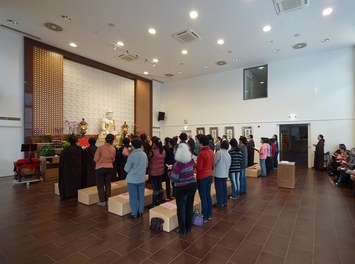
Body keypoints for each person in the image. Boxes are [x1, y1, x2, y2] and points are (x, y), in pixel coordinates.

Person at [168, 143, 197, 235]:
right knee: (189, 207)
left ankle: (182, 230)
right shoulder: (191, 160)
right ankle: (188, 227)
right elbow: (187, 170)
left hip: (181, 188)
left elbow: (175, 178)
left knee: (181, 209)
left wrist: (169, 172)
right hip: (192, 185)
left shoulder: (178, 164)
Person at [124, 138, 148, 219]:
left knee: (133, 196)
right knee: (141, 195)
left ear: (133, 146)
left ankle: (134, 213)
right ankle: (141, 211)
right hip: (142, 178)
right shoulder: (144, 154)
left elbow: (126, 169)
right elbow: (146, 165)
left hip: (133, 179)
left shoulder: (132, 155)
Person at [196, 135, 214, 222]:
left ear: (201, 143)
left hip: (202, 177)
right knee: (208, 195)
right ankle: (209, 214)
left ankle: (205, 217)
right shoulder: (211, 152)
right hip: (209, 175)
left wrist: (194, 163)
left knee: (203, 197)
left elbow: (199, 168)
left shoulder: (201, 154)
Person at [94, 133, 116, 206]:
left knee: (100, 185)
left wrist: (100, 162)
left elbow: (95, 159)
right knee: (108, 185)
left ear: (105, 139)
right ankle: (108, 200)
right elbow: (113, 159)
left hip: (100, 168)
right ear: (112, 141)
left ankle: (102, 201)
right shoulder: (113, 149)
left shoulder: (100, 148)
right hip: (109, 168)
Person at [59, 135, 83, 200]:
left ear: (69, 142)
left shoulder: (66, 149)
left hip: (68, 169)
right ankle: (76, 193)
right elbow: (82, 159)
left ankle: (69, 193)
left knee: (68, 181)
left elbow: (61, 160)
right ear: (76, 141)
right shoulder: (79, 148)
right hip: (77, 168)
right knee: (77, 181)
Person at [148, 137, 166, 207]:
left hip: (153, 172)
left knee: (155, 188)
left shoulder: (152, 151)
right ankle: (160, 201)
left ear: (154, 143)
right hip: (161, 171)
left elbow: (148, 158)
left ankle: (154, 203)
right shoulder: (163, 151)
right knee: (160, 186)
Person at [213, 140, 231, 207]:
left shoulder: (219, 153)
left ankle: (220, 203)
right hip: (225, 174)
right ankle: (224, 201)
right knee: (224, 188)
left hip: (218, 174)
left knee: (219, 189)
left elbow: (214, 162)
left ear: (221, 145)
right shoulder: (228, 154)